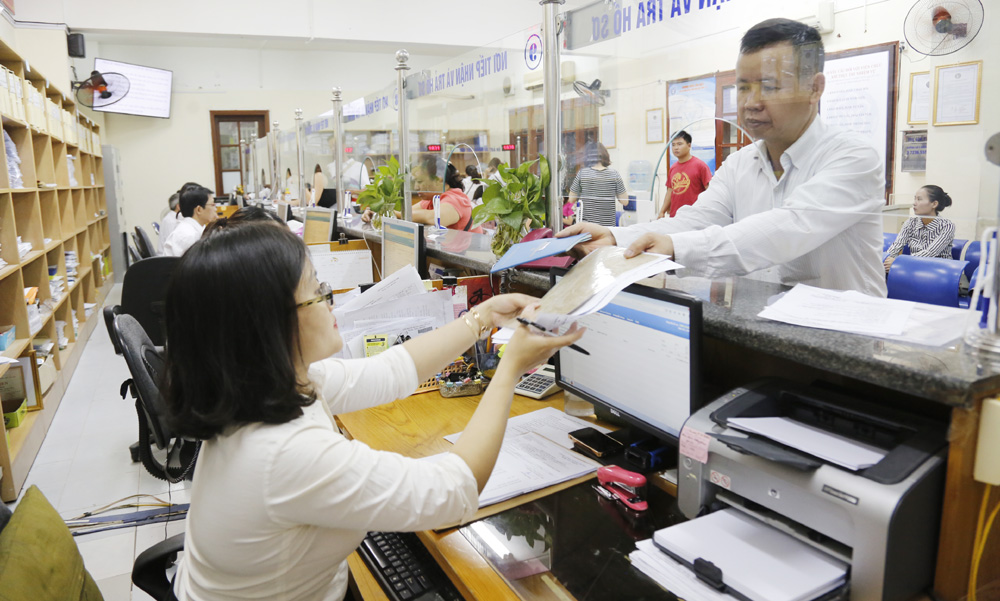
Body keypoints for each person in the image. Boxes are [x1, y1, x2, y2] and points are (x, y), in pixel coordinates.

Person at [164, 223, 582, 600]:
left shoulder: (267, 387)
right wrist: (510, 367)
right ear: (266, 325)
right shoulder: (282, 451)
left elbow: (392, 370)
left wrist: (481, 318)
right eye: (315, 292)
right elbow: (454, 490)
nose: (329, 301)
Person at [558, 18, 887, 297]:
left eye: (770, 87)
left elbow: (786, 229)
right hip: (764, 334)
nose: (751, 102)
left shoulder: (853, 156)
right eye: (743, 87)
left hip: (850, 347)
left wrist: (674, 247)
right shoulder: (740, 164)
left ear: (815, 88)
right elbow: (693, 221)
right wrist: (616, 237)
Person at [362, 164, 484, 233]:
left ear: (438, 179)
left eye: (420, 181)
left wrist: (387, 213)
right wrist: (377, 212)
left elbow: (433, 217)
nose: (416, 187)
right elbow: (406, 213)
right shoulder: (431, 200)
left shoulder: (456, 198)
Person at [884, 185, 956, 273]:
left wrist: (899, 262)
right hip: (912, 267)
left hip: (937, 271)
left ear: (934, 204)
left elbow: (930, 253)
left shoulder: (947, 226)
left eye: (919, 199)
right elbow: (896, 246)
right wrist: (885, 260)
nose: (914, 203)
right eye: (915, 199)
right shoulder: (910, 222)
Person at [567, 142, 628, 227]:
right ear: (605, 155)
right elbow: (625, 201)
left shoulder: (583, 173)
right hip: (607, 229)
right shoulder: (614, 174)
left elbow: (571, 199)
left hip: (587, 229)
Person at [658, 130, 713, 219]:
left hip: (694, 216)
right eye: (673, 145)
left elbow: (710, 191)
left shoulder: (700, 166)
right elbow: (670, 191)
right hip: (675, 216)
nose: (676, 148)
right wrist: (662, 211)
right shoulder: (673, 168)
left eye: (679, 144)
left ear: (689, 145)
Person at [163, 187, 217, 257]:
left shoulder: (192, 228)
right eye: (212, 205)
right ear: (199, 210)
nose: (215, 209)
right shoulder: (189, 235)